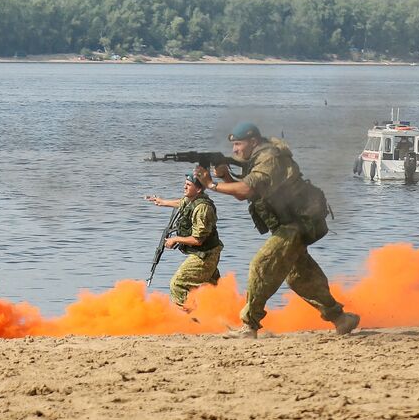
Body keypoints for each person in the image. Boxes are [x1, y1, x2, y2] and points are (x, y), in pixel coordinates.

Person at [197, 122, 360, 337]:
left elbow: (246, 189)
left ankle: (249, 326)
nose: (234, 150)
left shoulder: (269, 158)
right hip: (290, 223)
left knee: (261, 264)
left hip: (298, 223)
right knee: (301, 276)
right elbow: (244, 192)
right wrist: (225, 178)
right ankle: (341, 319)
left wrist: (210, 185)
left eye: (238, 144)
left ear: (253, 142)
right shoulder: (257, 160)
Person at [144, 174, 222, 308]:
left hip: (205, 255)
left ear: (198, 189)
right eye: (185, 183)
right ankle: (222, 317)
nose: (184, 186)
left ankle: (191, 319)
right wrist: (162, 202)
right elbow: (182, 203)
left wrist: (176, 239)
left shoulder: (202, 208)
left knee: (178, 284)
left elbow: (198, 240)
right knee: (214, 290)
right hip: (205, 253)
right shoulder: (192, 199)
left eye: (188, 185)